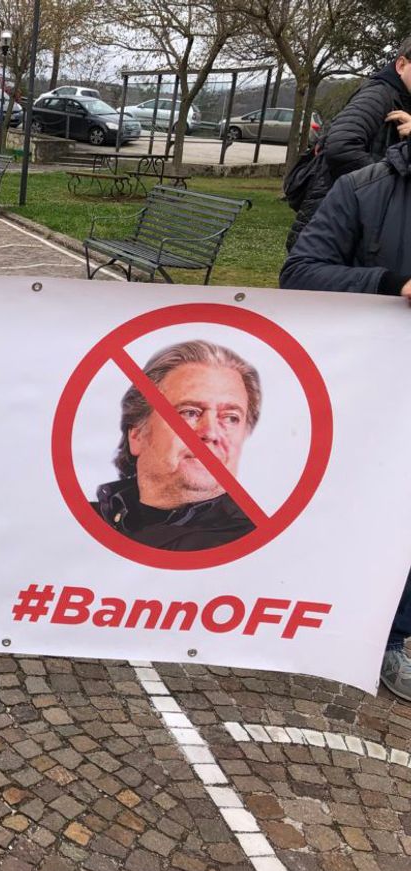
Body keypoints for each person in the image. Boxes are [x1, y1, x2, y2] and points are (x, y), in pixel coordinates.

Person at [279, 137, 411, 702]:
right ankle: (383, 635)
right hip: (376, 391)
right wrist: (389, 286)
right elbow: (301, 272)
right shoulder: (364, 188)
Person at [91, 340, 261, 552]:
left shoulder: (254, 549)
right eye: (189, 412)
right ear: (137, 436)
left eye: (230, 418)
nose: (211, 432)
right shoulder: (79, 523)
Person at [287, 38, 411, 250]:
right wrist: (391, 186)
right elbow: (341, 146)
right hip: (333, 227)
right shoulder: (379, 94)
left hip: (357, 226)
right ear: (401, 65)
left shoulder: (402, 100)